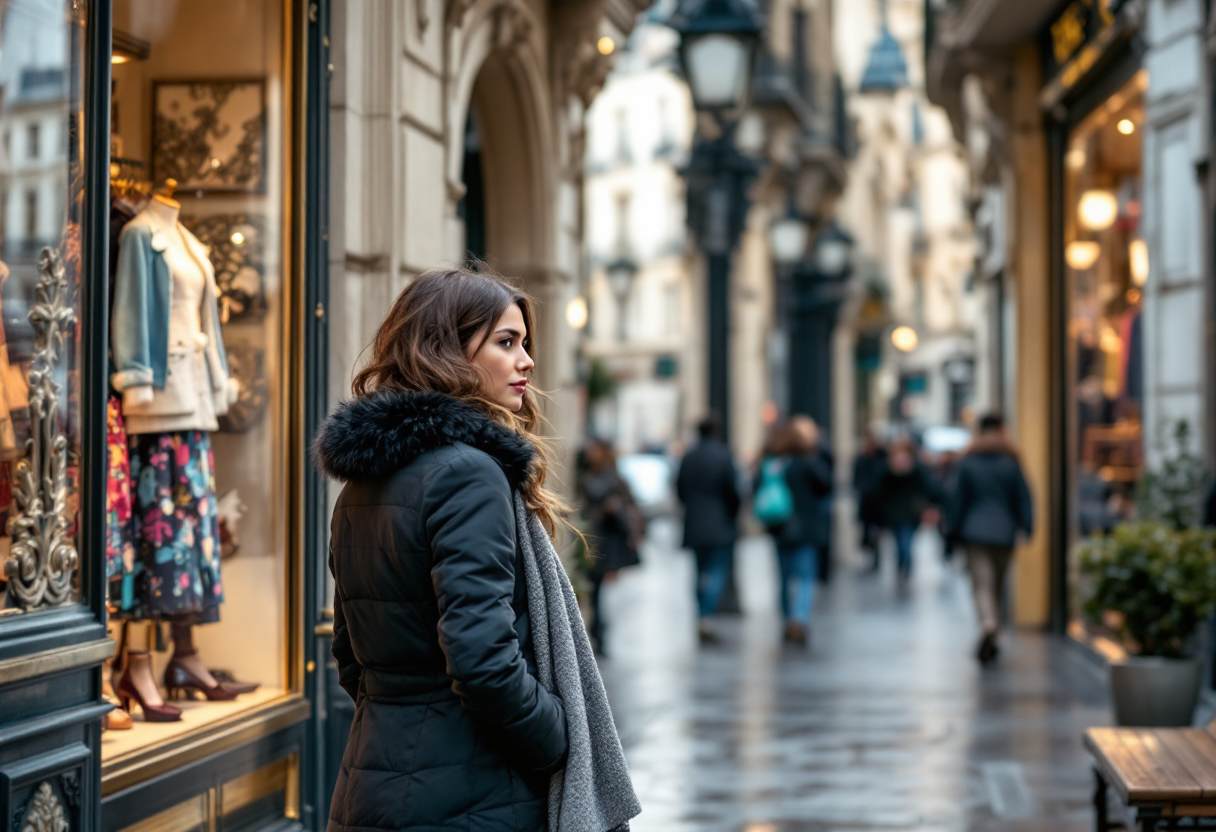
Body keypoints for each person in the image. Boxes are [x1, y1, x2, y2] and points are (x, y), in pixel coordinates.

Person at [315, 268, 640, 832]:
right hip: (474, 795)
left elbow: (351, 655)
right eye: (506, 342)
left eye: (524, 343)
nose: (527, 361)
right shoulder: (469, 474)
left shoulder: (364, 482)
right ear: (447, 351)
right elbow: (484, 663)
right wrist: (560, 740)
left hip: (372, 781)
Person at [946, 413, 1033, 665]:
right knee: (998, 585)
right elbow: (1024, 497)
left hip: (975, 532)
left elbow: (956, 500)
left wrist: (952, 531)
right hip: (1005, 532)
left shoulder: (968, 462)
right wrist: (1027, 527)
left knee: (981, 585)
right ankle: (995, 631)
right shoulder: (1011, 461)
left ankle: (987, 623)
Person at [758, 416, 832, 646]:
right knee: (805, 576)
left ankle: (787, 617)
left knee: (784, 576)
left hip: (779, 526)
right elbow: (826, 485)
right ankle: (798, 619)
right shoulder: (808, 463)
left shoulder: (773, 463)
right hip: (805, 527)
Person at [676, 414, 742, 643]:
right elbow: (734, 491)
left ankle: (701, 614)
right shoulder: (724, 456)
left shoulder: (689, 456)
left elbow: (680, 489)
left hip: (695, 523)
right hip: (720, 524)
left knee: (699, 571)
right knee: (717, 571)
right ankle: (706, 616)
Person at [577, 438, 644, 655]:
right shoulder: (597, 475)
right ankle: (598, 634)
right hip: (595, 540)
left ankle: (599, 634)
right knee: (596, 592)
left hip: (605, 542)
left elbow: (623, 504)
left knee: (598, 592)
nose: (590, 453)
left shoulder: (609, 478)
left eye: (594, 450)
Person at [875, 438, 938, 583]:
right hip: (893, 513)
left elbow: (930, 488)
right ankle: (902, 567)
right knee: (899, 543)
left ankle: (905, 567)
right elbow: (876, 489)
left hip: (910, 513)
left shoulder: (917, 468)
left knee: (906, 542)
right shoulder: (886, 469)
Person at [853, 431, 887, 571]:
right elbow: (856, 478)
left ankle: (876, 558)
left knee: (877, 532)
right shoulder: (861, 459)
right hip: (866, 501)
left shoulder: (882, 458)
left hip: (879, 502)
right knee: (866, 531)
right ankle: (869, 555)